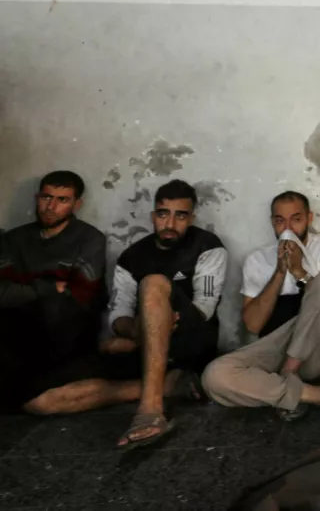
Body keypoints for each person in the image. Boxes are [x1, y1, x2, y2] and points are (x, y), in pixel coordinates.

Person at [201, 191, 320, 420]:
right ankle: (318, 394)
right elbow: (253, 325)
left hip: (315, 351)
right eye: (280, 221)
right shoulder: (256, 260)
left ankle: (288, 375)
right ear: (273, 222)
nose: (288, 228)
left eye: (296, 219)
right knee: (214, 376)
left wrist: (299, 271)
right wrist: (280, 272)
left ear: (309, 219)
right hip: (271, 351)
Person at [106, 179, 227, 448]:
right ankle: (169, 385)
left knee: (153, 284)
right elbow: (118, 316)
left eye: (180, 216)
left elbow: (204, 309)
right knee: (46, 402)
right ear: (153, 216)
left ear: (191, 218)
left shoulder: (207, 246)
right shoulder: (130, 257)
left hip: (191, 341)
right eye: (163, 214)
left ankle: (150, 410)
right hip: (146, 345)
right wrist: (140, 330)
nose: (170, 224)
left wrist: (160, 323)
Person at [0, 171, 107, 413]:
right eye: (46, 197)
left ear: (76, 204)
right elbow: (2, 292)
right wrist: (49, 285)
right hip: (16, 331)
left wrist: (25, 285)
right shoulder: (15, 239)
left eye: (62, 200)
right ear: (37, 198)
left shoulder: (89, 239)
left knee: (53, 309)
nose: (51, 206)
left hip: (67, 334)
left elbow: (79, 296)